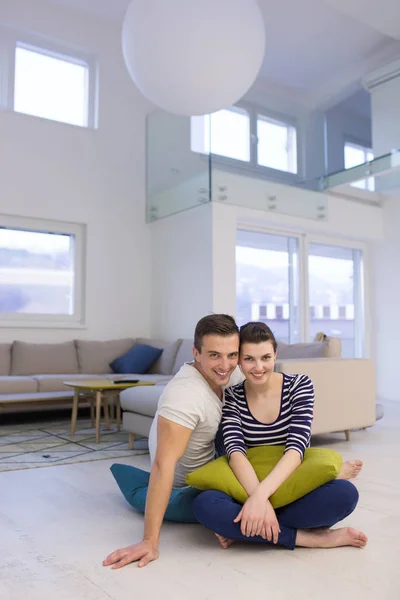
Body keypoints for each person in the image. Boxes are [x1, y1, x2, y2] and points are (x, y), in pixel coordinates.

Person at [192, 321, 367, 550]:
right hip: (249, 482)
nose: (258, 367)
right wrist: (256, 499)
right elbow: (236, 454)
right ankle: (310, 538)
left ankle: (245, 529)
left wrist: (259, 501)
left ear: (275, 354)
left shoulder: (300, 386)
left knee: (345, 494)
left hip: (288, 478)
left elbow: (296, 450)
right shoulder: (233, 396)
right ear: (239, 361)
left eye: (265, 357)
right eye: (249, 359)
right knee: (205, 505)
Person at [103, 314, 244, 569]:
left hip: (218, 462)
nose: (225, 364)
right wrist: (149, 541)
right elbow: (162, 465)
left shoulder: (229, 373)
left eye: (232, 355)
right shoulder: (185, 396)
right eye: (214, 355)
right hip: (189, 488)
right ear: (196, 353)